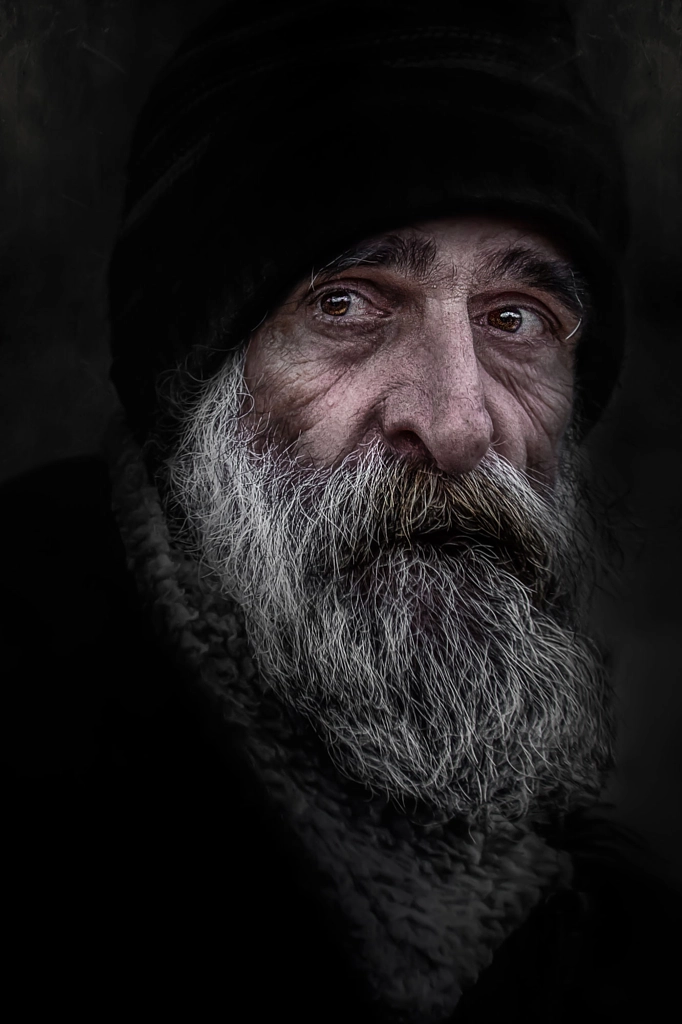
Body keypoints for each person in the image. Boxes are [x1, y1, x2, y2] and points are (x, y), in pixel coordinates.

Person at [2, 2, 679, 1021]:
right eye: (349, 303)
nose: (457, 423)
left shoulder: (619, 954)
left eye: (515, 320)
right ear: (195, 387)